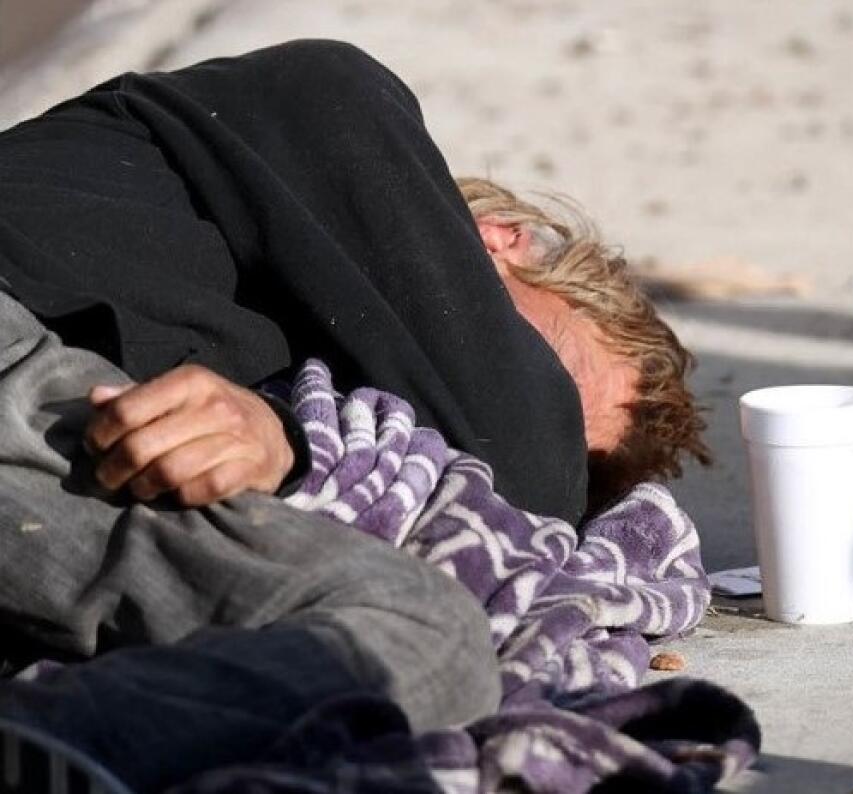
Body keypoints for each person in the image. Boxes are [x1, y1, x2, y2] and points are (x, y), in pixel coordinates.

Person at [0, 39, 707, 790]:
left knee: (423, 643)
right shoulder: (331, 108)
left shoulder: (311, 377)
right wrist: (298, 442)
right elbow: (524, 457)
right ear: (500, 243)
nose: (479, 481)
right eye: (556, 383)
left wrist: (286, 443)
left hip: (50, 498)